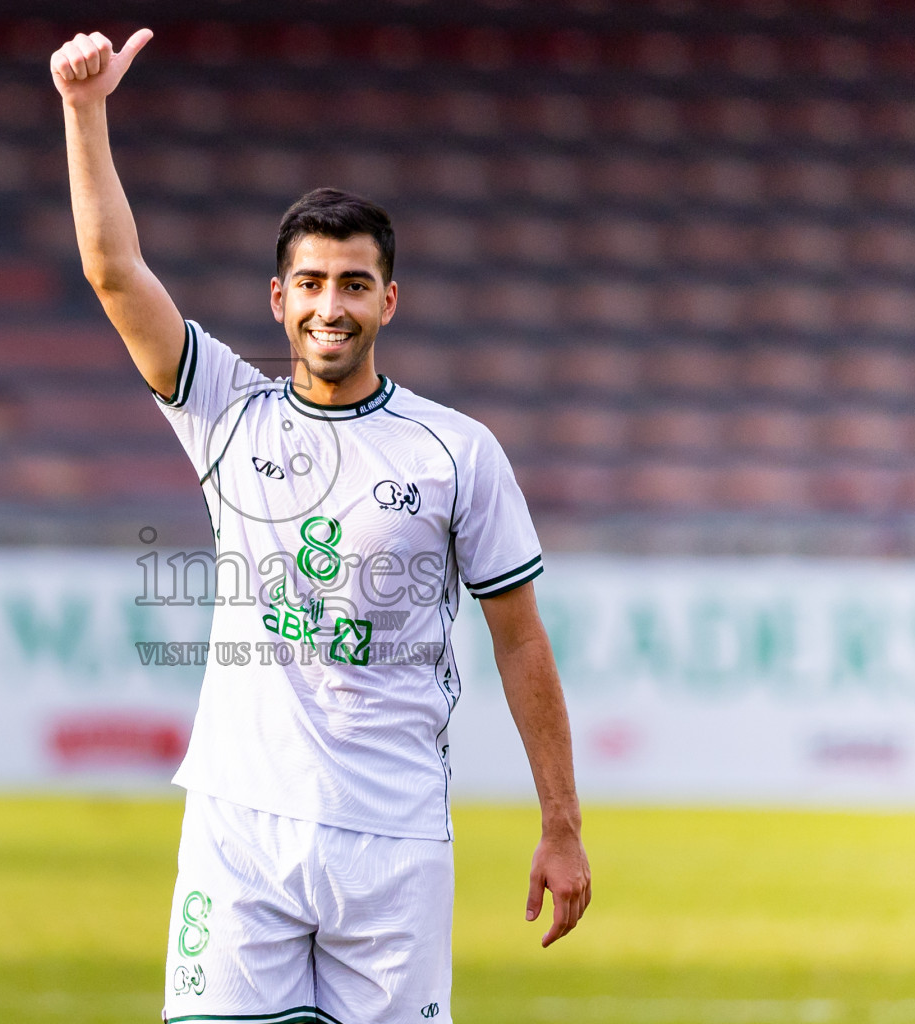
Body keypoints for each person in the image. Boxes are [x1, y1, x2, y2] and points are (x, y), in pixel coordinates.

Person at [53, 30, 590, 1024]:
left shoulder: (457, 451)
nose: (329, 306)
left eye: (352, 284)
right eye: (310, 284)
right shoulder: (227, 412)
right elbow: (115, 271)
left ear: (389, 299)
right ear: (278, 299)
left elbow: (519, 641)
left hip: (391, 848)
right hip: (241, 827)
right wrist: (85, 113)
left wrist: (561, 823)